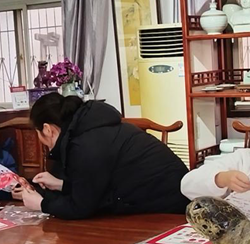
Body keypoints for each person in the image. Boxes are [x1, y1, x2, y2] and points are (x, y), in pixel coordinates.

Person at [18, 93, 189, 219]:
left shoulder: (84, 144)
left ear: (47, 129)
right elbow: (97, 187)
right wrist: (63, 185)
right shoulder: (90, 129)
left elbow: (81, 208)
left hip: (167, 212)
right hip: (170, 199)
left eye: (38, 133)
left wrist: (41, 204)